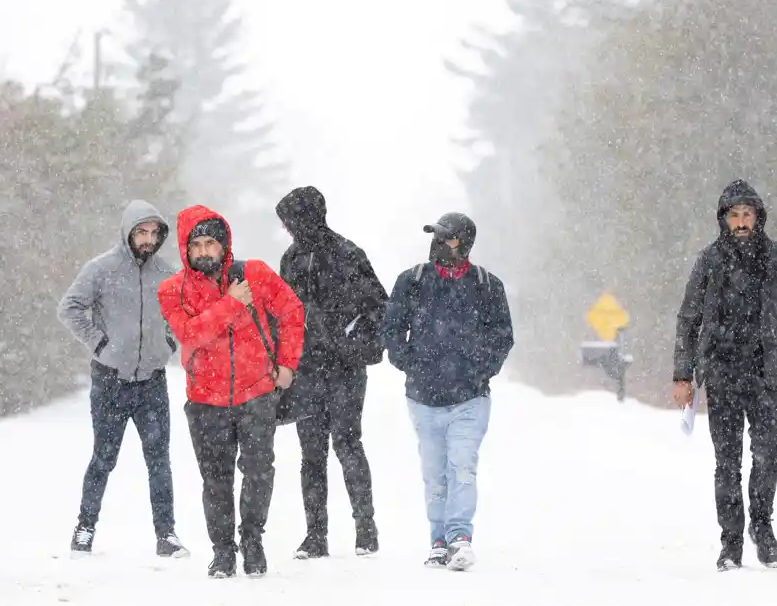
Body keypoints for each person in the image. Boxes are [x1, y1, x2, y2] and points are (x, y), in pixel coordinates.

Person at [157, 205, 305, 579]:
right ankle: (223, 551)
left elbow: (291, 310)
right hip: (205, 400)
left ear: (225, 246)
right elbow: (191, 334)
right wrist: (231, 303)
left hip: (256, 393)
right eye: (198, 245)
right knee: (216, 480)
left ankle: (252, 540)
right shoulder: (170, 291)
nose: (205, 251)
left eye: (212, 243)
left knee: (258, 472)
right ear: (185, 249)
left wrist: (287, 364)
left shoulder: (252, 273)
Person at [672, 180, 777, 572]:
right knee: (727, 461)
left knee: (768, 454)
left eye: (747, 214)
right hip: (723, 373)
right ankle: (731, 541)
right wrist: (683, 374)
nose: (742, 221)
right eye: (734, 215)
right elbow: (688, 318)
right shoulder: (710, 261)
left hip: (767, 374)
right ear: (724, 219)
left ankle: (762, 528)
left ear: (758, 216)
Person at [381, 212, 514, 571]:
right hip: (423, 399)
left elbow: (503, 336)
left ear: (465, 243)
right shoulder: (411, 281)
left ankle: (460, 536)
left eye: (448, 238)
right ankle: (437, 540)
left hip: (471, 399)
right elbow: (391, 330)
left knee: (463, 467)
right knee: (434, 472)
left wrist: (478, 371)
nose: (440, 244)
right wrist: (411, 363)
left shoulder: (487, 285)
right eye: (437, 237)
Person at [57, 199, 188, 559]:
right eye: (141, 232)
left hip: (152, 382)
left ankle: (167, 535)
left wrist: (168, 344)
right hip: (110, 382)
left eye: (153, 233)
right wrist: (100, 344)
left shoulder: (167, 274)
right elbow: (69, 308)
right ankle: (84, 529)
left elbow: (182, 314)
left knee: (159, 459)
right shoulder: (101, 269)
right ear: (128, 232)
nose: (147, 239)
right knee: (103, 458)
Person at [275, 186, 388, 559]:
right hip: (305, 369)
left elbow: (378, 306)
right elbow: (282, 315)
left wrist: (348, 339)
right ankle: (316, 535)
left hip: (345, 369)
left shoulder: (347, 253)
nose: (288, 228)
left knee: (347, 443)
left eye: (289, 220)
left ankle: (365, 528)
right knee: (311, 454)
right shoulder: (290, 258)